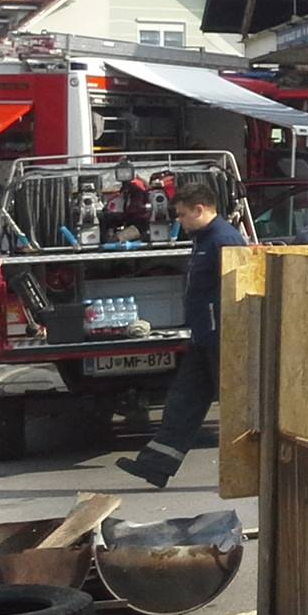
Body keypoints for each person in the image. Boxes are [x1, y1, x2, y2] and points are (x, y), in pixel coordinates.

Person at [117, 183, 248, 488]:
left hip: (222, 339)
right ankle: (155, 466)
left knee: (234, 408)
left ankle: (247, 471)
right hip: (204, 338)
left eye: (183, 215)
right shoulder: (204, 239)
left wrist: (227, 334)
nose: (179, 221)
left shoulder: (225, 240)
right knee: (183, 402)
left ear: (200, 210)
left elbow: (240, 289)